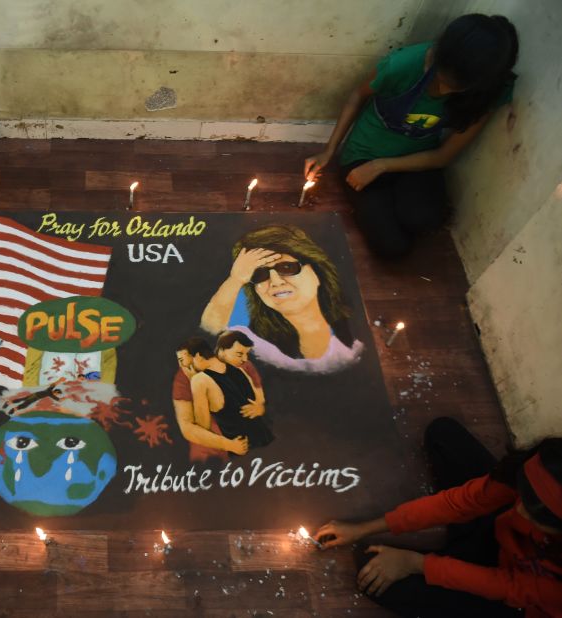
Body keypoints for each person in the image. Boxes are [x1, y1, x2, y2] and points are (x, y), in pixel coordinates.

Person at [304, 14, 518, 259]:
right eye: (441, 79)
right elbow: (356, 96)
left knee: (425, 219)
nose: (443, 91)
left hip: (417, 161)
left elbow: (442, 156)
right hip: (364, 155)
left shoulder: (486, 92)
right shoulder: (404, 64)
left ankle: (395, 203)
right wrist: (329, 150)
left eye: (455, 89)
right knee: (393, 248)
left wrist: (381, 166)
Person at [317, 417, 562, 617]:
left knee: (371, 571)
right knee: (442, 433)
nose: (518, 510)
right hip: (498, 538)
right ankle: (461, 545)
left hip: (516, 601)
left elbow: (504, 585)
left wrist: (416, 563)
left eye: (533, 513)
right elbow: (460, 502)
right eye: (523, 497)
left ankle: (458, 551)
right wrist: (365, 528)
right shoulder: (531, 477)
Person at [200, 225, 363, 374]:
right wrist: (235, 279)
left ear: (317, 271)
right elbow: (208, 334)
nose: (275, 281)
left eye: (287, 267)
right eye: (259, 274)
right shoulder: (253, 344)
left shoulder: (354, 339)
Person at [172, 330, 269, 458]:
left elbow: (203, 426)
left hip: (240, 448)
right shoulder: (236, 368)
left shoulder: (199, 379)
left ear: (198, 356)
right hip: (262, 439)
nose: (184, 366)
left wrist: (194, 382)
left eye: (183, 360)